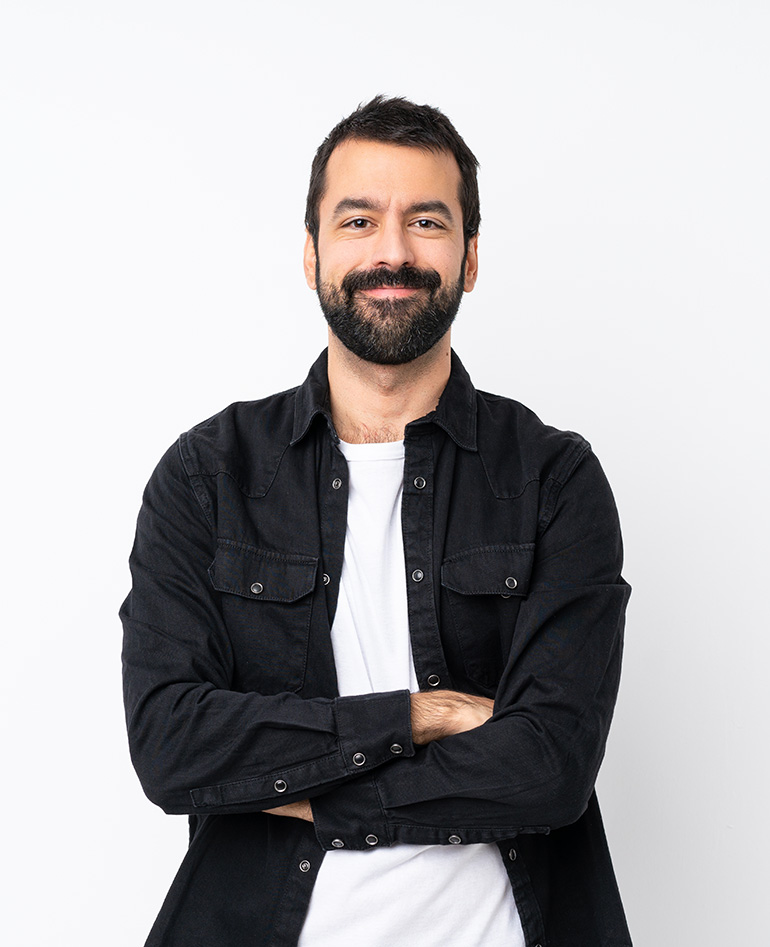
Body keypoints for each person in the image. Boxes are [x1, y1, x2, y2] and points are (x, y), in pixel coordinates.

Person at [121, 95, 632, 947]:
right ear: (313, 252)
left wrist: (308, 789)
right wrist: (418, 717)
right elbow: (171, 745)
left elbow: (551, 767)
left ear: (470, 257)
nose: (392, 251)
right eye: (358, 221)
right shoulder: (208, 478)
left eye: (426, 221)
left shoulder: (553, 478)